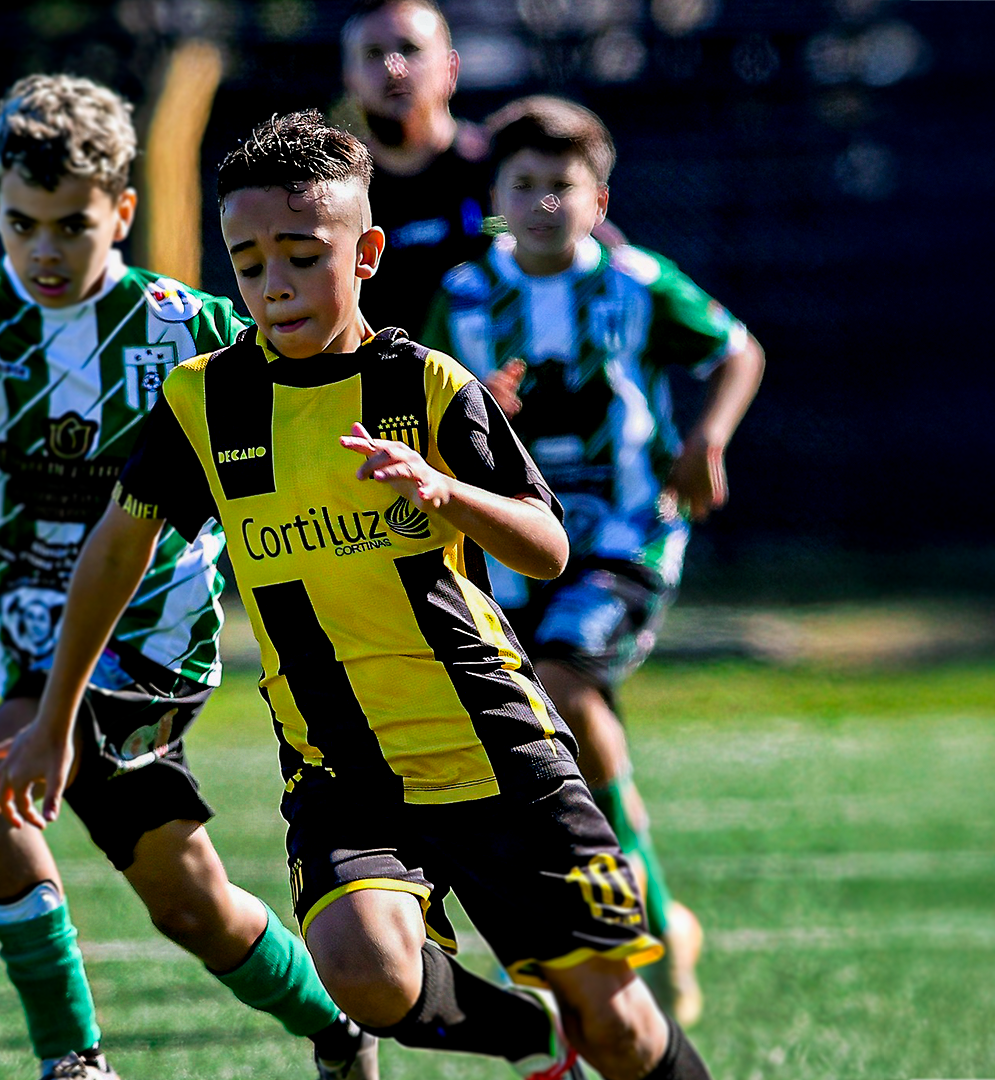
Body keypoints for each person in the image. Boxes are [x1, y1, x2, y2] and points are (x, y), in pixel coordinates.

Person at [0, 111, 713, 1080]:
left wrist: (446, 494)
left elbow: (547, 548)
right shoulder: (207, 402)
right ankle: (530, 1039)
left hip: (496, 747)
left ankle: (581, 1029)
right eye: (249, 264)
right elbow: (115, 554)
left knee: (618, 1025)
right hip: (342, 770)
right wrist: (54, 719)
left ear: (367, 253)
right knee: (363, 974)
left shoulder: (429, 386)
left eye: (302, 256)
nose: (274, 286)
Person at [0, 75, 375, 1080]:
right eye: (21, 224)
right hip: (32, 647)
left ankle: (73, 1062)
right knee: (192, 907)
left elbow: (308, 389)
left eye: (72, 227)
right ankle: (339, 1032)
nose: (44, 251)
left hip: (152, 645)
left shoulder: (187, 327)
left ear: (122, 212)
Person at [419, 95, 768, 1027]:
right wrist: (472, 417)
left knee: (566, 688)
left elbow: (738, 351)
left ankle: (640, 921)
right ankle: (643, 924)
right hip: (513, 546)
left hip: (626, 532)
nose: (542, 203)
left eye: (561, 186)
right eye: (523, 184)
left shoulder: (640, 282)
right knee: (543, 724)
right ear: (495, 199)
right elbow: (424, 410)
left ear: (598, 198)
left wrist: (708, 438)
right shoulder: (461, 297)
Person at [339, 0, 492, 338]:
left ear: (451, 69)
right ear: (350, 80)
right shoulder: (333, 194)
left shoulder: (504, 172)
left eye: (410, 49)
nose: (394, 68)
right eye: (373, 54)